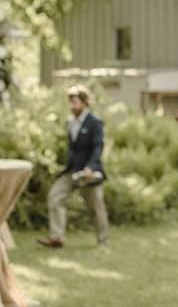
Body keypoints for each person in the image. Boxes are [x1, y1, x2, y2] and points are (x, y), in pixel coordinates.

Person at [37, 85, 109, 249]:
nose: (72, 106)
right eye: (70, 102)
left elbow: (98, 147)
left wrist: (91, 167)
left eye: (75, 102)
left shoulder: (95, 123)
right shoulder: (71, 122)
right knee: (54, 197)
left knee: (95, 209)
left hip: (89, 173)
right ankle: (56, 238)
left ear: (84, 103)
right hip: (72, 171)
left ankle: (103, 241)